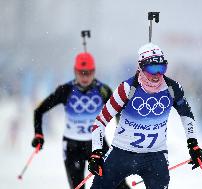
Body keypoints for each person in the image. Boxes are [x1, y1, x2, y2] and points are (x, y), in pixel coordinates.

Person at [88, 43, 202, 189]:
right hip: (122, 153)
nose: (157, 74)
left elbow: (186, 115)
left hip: (155, 155)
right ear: (141, 67)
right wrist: (96, 153)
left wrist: (193, 145)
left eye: (161, 68)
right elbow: (100, 121)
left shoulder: (172, 88)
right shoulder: (127, 88)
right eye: (152, 69)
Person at [31, 52, 130, 189]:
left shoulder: (103, 90)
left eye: (88, 72)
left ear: (94, 71)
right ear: (75, 71)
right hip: (72, 147)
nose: (85, 76)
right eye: (81, 72)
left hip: (97, 145)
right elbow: (39, 111)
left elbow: (120, 112)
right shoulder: (65, 90)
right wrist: (38, 134)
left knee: (119, 185)